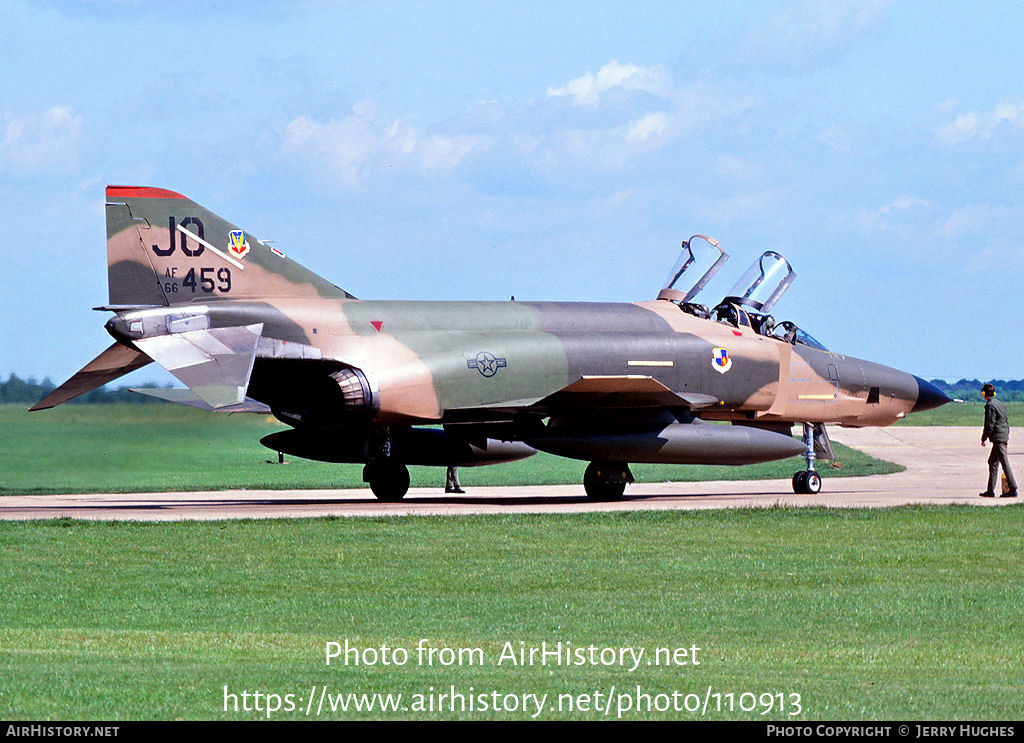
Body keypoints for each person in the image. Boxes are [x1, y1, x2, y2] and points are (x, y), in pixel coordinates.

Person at [980, 383, 1017, 498]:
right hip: (1003, 435)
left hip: (998, 437)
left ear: (984, 394)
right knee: (992, 462)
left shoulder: (990, 406)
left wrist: (984, 438)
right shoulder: (1000, 404)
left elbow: (989, 424)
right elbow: (1005, 421)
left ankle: (1013, 488)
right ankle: (990, 490)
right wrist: (1006, 437)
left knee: (1004, 463)